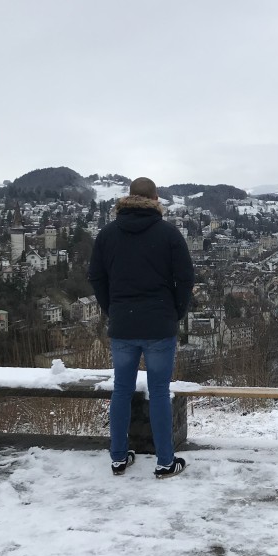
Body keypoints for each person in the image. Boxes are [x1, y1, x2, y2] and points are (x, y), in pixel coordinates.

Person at [88, 176, 194, 478]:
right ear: (155, 199)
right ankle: (164, 462)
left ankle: (119, 458)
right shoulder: (168, 234)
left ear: (128, 198)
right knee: (159, 391)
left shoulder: (108, 234)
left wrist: (112, 309)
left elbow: (96, 276)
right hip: (159, 323)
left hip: (123, 323)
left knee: (121, 390)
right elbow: (185, 278)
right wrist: (175, 312)